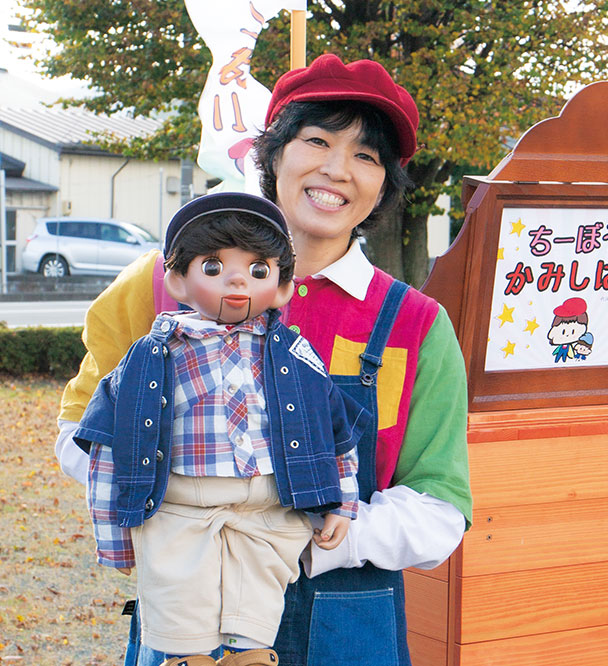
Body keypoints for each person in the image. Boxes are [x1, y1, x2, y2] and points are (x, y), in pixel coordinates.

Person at [55, 54, 472, 666]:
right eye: (317, 140)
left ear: (384, 185)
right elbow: (80, 433)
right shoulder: (159, 285)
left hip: (344, 618)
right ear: (273, 154)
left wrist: (311, 534)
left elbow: (441, 507)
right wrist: (177, 509)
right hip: (182, 610)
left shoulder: (416, 325)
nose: (336, 169)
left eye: (366, 156)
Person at [76, 192, 365, 666]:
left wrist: (343, 503)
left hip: (271, 515)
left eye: (258, 270)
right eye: (212, 266)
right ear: (177, 281)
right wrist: (113, 532)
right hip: (177, 515)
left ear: (284, 286)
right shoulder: (154, 356)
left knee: (255, 630)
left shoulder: (295, 356)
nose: (236, 278)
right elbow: (109, 444)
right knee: (180, 632)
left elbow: (333, 433)